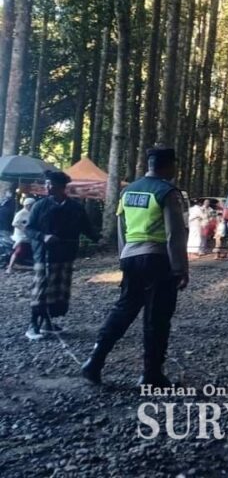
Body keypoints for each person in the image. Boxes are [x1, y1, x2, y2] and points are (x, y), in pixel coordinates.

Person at [81, 147, 189, 387]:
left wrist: (124, 257)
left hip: (131, 257)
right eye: (174, 165)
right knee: (157, 318)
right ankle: (151, 374)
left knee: (124, 309)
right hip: (158, 260)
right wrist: (180, 268)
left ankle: (95, 361)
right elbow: (175, 234)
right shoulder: (167, 192)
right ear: (168, 165)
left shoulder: (128, 191)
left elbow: (122, 228)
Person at [25, 172, 99, 340]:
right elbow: (29, 228)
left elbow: (86, 228)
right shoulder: (40, 205)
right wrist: (43, 236)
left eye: (50, 184)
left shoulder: (75, 207)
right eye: (46, 184)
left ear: (61, 187)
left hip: (66, 254)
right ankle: (33, 325)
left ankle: (47, 323)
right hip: (44, 254)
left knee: (58, 291)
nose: (47, 187)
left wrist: (98, 239)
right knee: (41, 290)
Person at [6, 197, 35, 275]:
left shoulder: (31, 213)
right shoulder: (21, 213)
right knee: (18, 250)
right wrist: (23, 228)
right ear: (27, 205)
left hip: (28, 235)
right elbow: (14, 223)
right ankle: (10, 267)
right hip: (21, 235)